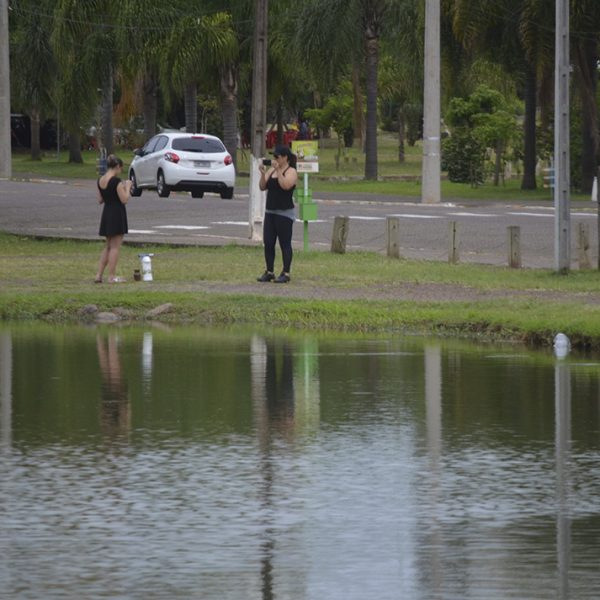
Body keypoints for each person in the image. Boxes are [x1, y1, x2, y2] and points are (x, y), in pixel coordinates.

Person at [257, 145, 298, 284]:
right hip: (270, 212)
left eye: (277, 157)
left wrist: (279, 170)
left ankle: (286, 272)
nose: (275, 159)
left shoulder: (291, 171)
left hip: (284, 213)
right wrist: (263, 173)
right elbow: (262, 187)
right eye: (273, 157)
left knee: (284, 243)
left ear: (285, 158)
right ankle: (269, 271)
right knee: (268, 242)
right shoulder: (271, 170)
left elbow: (286, 185)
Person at [94, 155, 132, 283]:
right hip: (116, 213)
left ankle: (99, 275)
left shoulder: (100, 180)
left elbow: (100, 200)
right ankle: (111, 276)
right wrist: (127, 187)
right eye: (120, 168)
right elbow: (124, 199)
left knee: (108, 246)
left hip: (106, 213)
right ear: (117, 167)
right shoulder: (116, 182)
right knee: (115, 247)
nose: (120, 171)